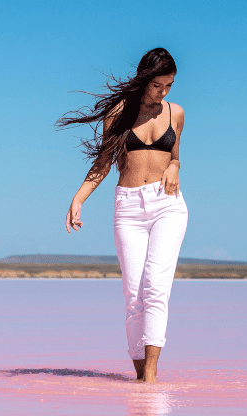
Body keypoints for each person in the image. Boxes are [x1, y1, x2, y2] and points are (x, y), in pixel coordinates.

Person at [58, 48, 186, 383]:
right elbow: (103, 163)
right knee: (134, 297)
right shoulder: (118, 113)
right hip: (128, 207)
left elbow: (175, 156)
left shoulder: (176, 114)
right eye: (157, 85)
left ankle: (151, 378)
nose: (162, 92)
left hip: (167, 205)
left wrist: (174, 165)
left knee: (157, 289)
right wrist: (78, 199)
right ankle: (140, 376)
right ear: (144, 80)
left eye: (168, 85)